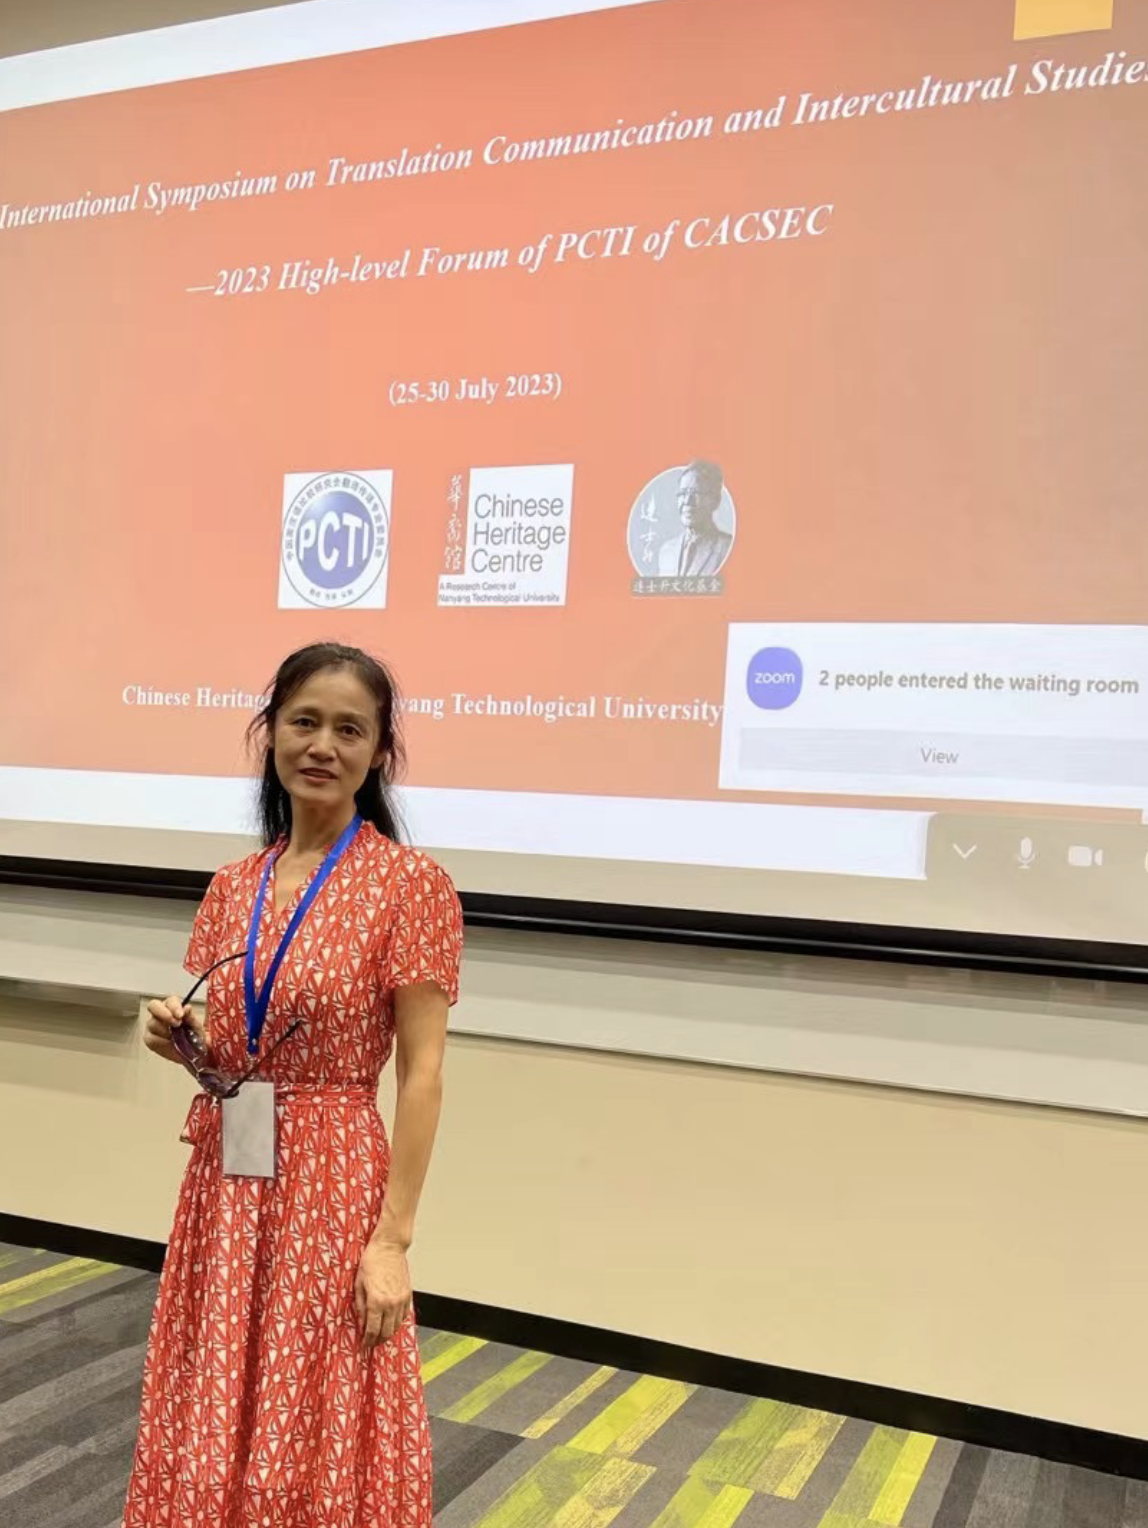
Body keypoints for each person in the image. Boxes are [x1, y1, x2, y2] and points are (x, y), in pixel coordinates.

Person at [122, 642, 462, 1528]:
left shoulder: (410, 885)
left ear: (379, 752)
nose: (322, 745)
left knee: (320, 1382)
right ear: (270, 731)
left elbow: (423, 1074)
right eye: (304, 721)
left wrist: (393, 1239)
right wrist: (184, 1043)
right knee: (220, 1366)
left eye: (350, 729)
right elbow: (235, 1049)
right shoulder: (233, 886)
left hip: (333, 1174)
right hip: (231, 1168)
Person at [656, 459, 733, 577]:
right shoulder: (666, 551)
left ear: (715, 500)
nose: (687, 501)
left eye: (696, 492)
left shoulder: (727, 549)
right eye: (683, 493)